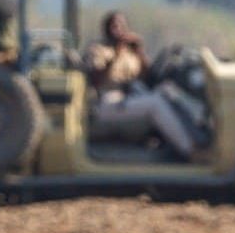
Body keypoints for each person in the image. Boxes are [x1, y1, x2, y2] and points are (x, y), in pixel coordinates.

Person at [82, 11, 197, 160]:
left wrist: (139, 52)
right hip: (106, 103)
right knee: (154, 104)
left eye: (121, 26)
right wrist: (116, 53)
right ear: (106, 28)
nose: (118, 30)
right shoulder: (97, 50)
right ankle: (190, 151)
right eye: (113, 26)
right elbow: (95, 79)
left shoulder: (130, 53)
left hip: (131, 98)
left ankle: (197, 138)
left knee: (167, 92)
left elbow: (148, 79)